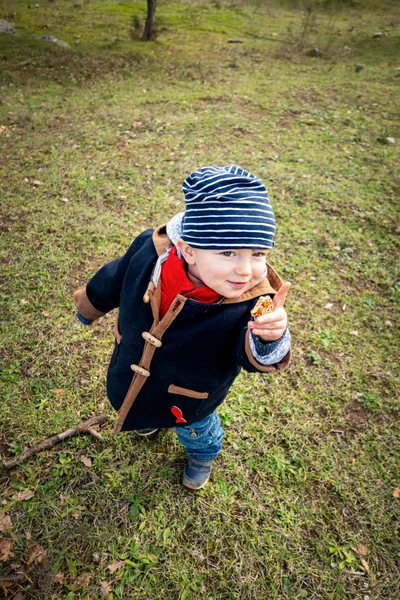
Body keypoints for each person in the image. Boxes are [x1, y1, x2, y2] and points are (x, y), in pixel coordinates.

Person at [73, 165, 291, 490]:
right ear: (188, 249)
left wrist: (269, 337)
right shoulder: (151, 252)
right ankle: (143, 418)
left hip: (192, 398)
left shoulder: (251, 302)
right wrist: (91, 306)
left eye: (258, 253)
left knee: (198, 432)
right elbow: (117, 277)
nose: (246, 270)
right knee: (136, 403)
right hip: (132, 365)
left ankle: (202, 456)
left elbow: (250, 358)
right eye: (228, 252)